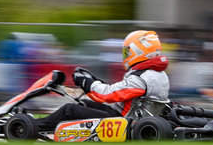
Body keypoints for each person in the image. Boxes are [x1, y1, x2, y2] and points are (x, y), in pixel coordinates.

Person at [36, 30, 170, 131]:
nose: (125, 56)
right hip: (130, 116)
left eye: (127, 52)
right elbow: (120, 93)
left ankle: (33, 127)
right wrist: (94, 83)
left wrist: (87, 83)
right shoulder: (159, 74)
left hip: (123, 122)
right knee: (83, 103)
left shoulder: (141, 78)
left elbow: (110, 95)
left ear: (138, 51)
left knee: (69, 110)